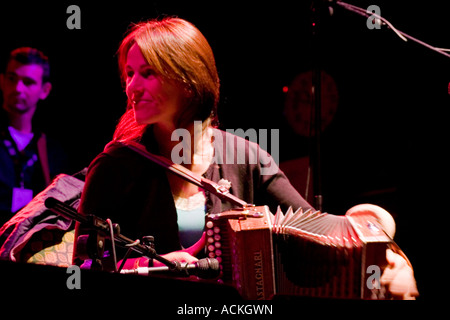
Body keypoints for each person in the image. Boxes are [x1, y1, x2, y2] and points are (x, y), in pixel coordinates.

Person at [74, 17, 418, 299]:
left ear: (188, 80)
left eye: (148, 73)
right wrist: (153, 267)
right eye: (129, 74)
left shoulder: (247, 158)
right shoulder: (115, 167)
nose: (132, 86)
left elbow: (317, 233)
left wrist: (377, 233)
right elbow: (83, 266)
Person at [0, 47, 68, 227]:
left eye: (28, 82)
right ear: (2, 81)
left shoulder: (52, 151)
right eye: (11, 78)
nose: (17, 88)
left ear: (44, 90)